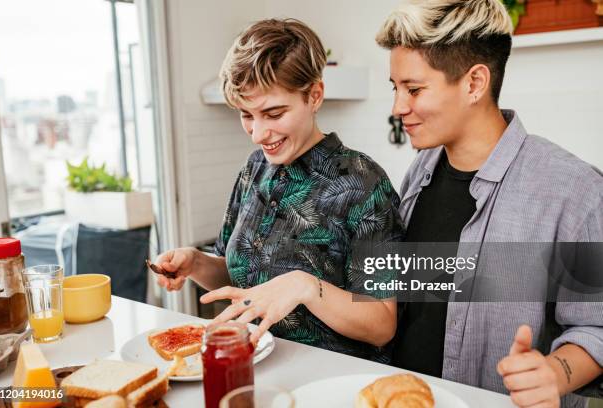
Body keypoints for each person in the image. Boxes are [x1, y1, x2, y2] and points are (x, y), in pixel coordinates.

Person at [375, 0, 603, 406]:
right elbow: (414, 293)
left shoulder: (574, 191)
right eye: (395, 89)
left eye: (414, 89)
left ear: (475, 83)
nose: (398, 108)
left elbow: (597, 328)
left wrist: (555, 372)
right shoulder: (419, 172)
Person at [155, 18, 403, 363]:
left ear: (314, 95)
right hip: (254, 370)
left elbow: (382, 325)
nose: (258, 133)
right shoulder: (255, 169)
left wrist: (306, 287)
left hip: (335, 385)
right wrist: (195, 263)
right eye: (246, 115)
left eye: (273, 113)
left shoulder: (364, 184)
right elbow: (240, 276)